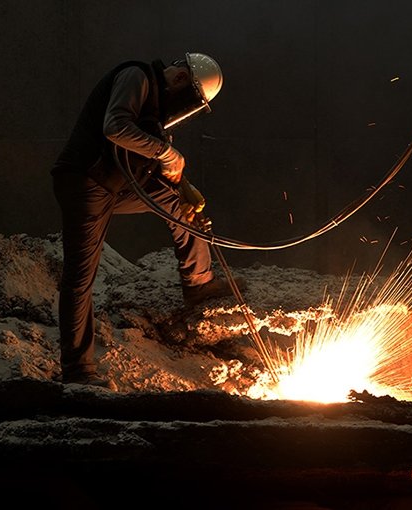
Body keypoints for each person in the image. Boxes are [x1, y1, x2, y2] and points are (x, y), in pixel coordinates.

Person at [51, 52, 244, 387]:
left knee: (179, 204)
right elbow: (115, 127)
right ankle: (77, 371)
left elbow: (142, 154)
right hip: (86, 182)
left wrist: (180, 183)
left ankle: (199, 284)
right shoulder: (136, 76)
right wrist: (167, 153)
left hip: (115, 183)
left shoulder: (153, 108)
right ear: (181, 79)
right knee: (80, 278)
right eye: (190, 101)